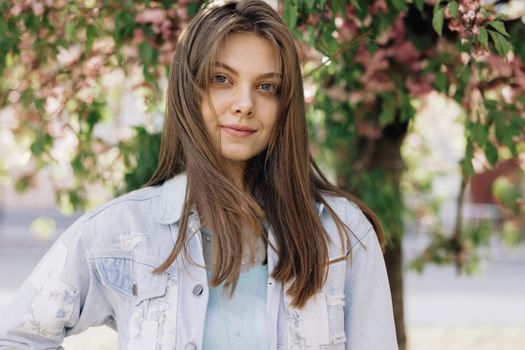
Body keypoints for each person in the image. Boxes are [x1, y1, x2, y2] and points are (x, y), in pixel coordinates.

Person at [0, 0, 398, 349]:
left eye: (266, 87)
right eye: (221, 79)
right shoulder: (122, 232)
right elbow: (15, 336)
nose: (244, 104)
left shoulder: (342, 236)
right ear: (189, 91)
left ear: (285, 106)